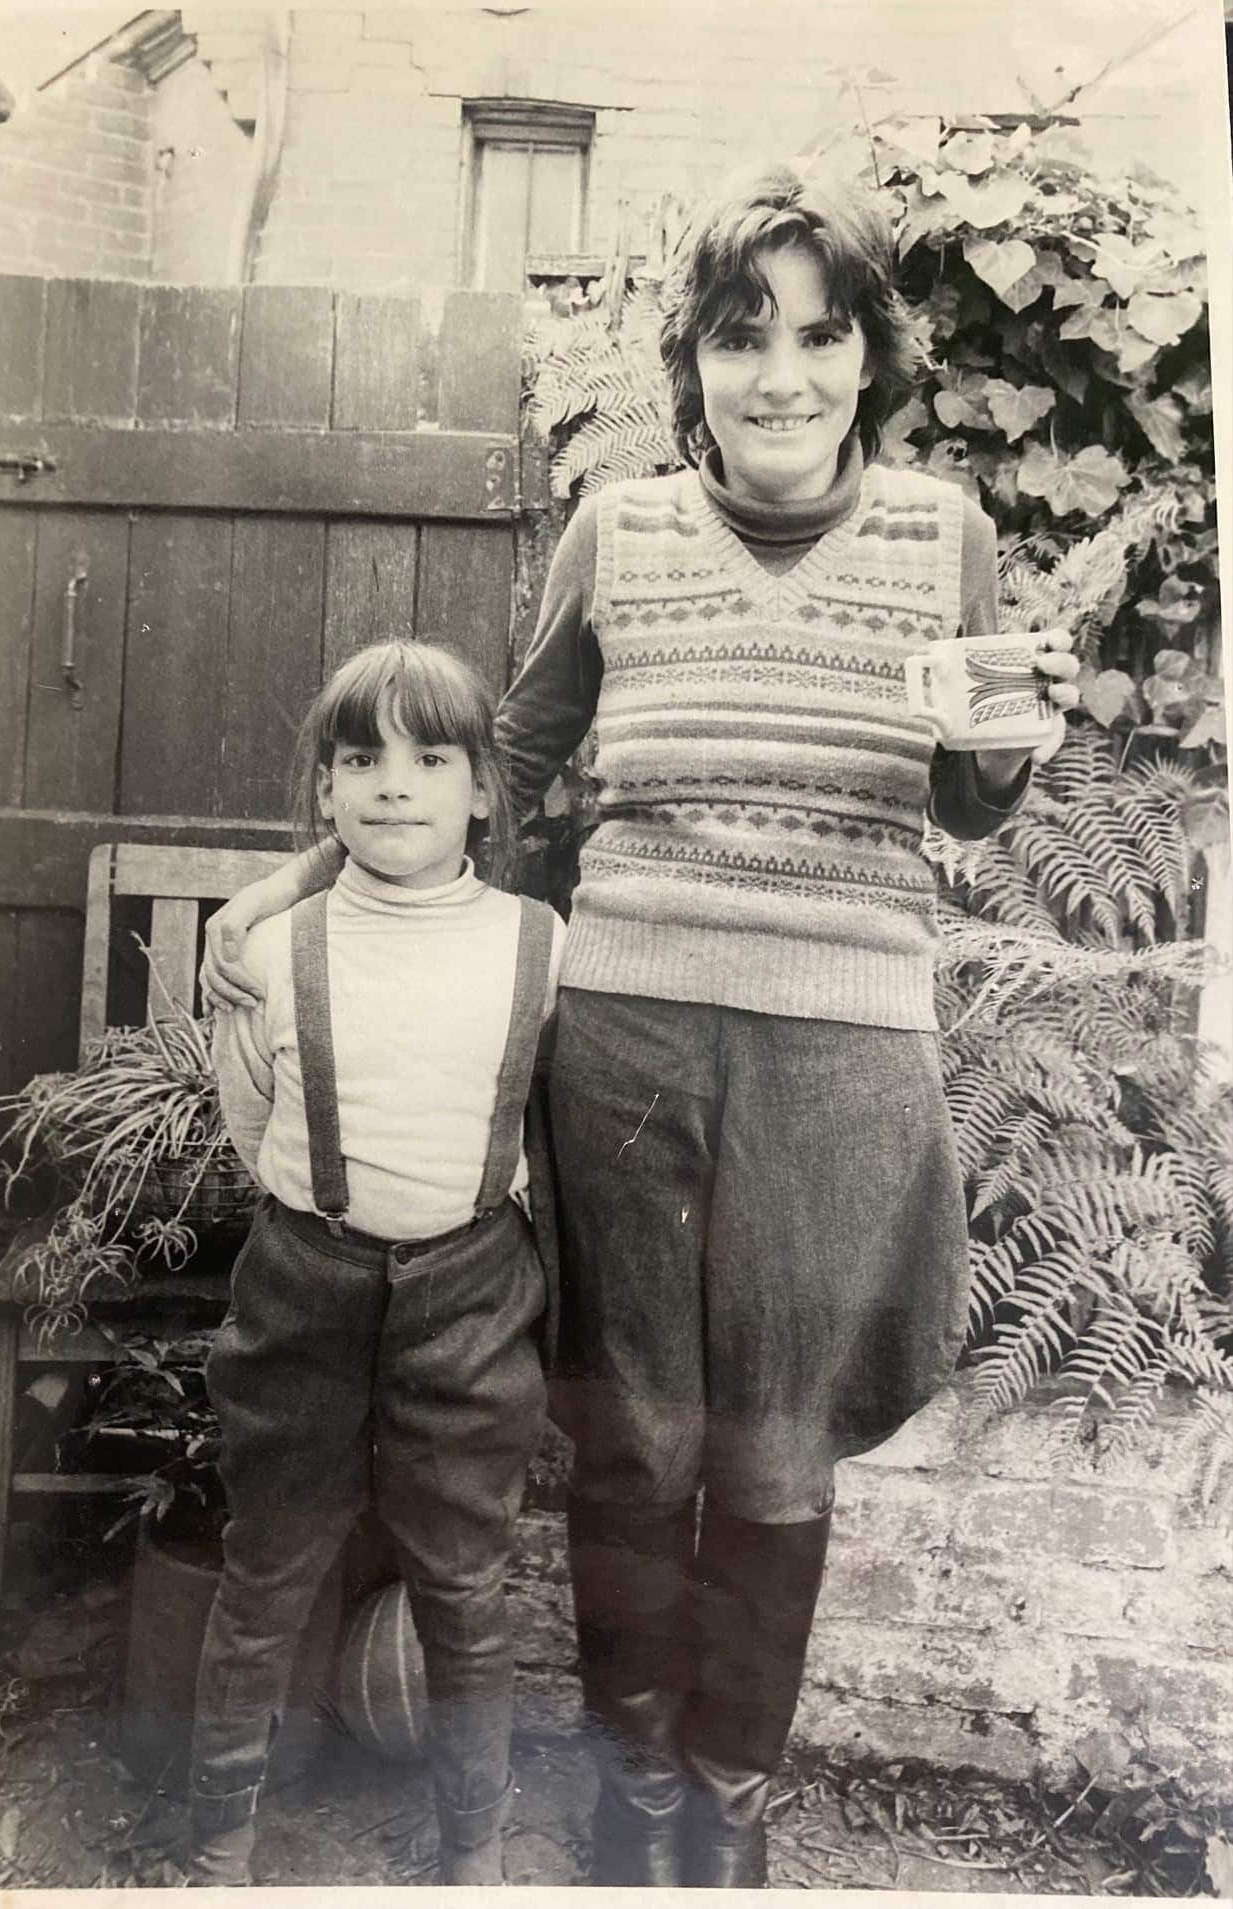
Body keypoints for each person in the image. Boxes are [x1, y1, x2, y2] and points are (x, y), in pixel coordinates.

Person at [201, 164, 1080, 1890]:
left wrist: (1014, 740)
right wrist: (297, 881)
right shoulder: (617, 528)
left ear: (864, 363)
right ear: (691, 361)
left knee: (769, 1448)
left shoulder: (943, 533)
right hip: (628, 1043)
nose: (780, 376)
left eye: (818, 339)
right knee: (633, 1441)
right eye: (741, 337)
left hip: (840, 1054)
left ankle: (720, 1808)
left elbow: (968, 806)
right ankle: (622, 1795)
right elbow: (510, 760)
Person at [188, 639, 565, 1886]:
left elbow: (546, 1131)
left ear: (480, 793)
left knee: (465, 1585)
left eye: (429, 757)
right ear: (324, 792)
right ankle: (218, 1839)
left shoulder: (536, 944)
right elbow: (253, 1124)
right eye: (361, 759)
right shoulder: (274, 950)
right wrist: (326, 1217)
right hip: (304, 1286)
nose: (393, 784)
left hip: (468, 1299)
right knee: (267, 1569)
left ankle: (473, 1850)